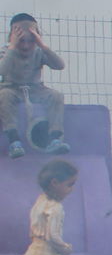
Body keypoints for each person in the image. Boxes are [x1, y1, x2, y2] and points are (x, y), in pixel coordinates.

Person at [0, 14, 69, 158]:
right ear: (12, 37)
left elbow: (59, 65)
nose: (26, 45)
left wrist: (43, 46)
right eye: (21, 41)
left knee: (56, 95)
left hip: (36, 89)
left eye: (31, 41)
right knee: (3, 95)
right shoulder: (6, 51)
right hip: (11, 88)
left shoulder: (39, 51)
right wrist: (12, 47)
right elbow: (2, 71)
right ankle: (14, 141)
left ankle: (55, 138)